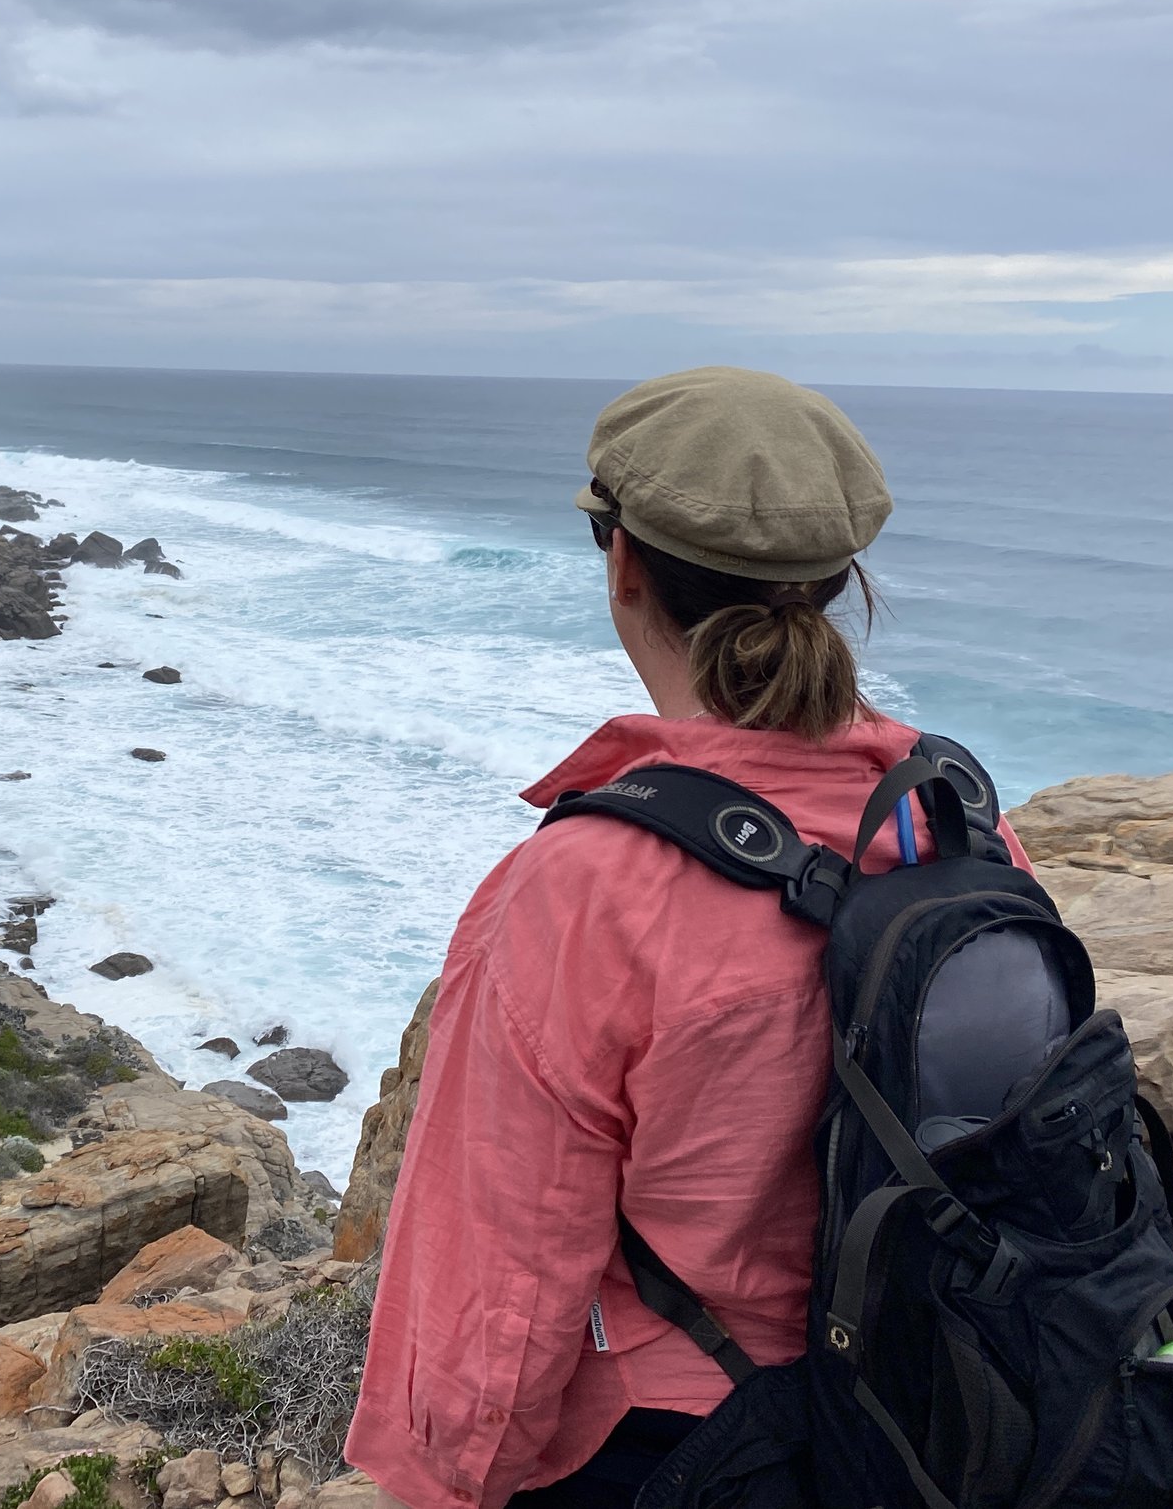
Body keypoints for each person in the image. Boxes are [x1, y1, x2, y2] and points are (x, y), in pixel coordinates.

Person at [343, 366, 1031, 1509]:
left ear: (620, 565)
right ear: (837, 579)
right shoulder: (950, 812)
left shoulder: (589, 883)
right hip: (931, 1413)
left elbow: (508, 1256)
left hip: (681, 1443)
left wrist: (445, 1481)